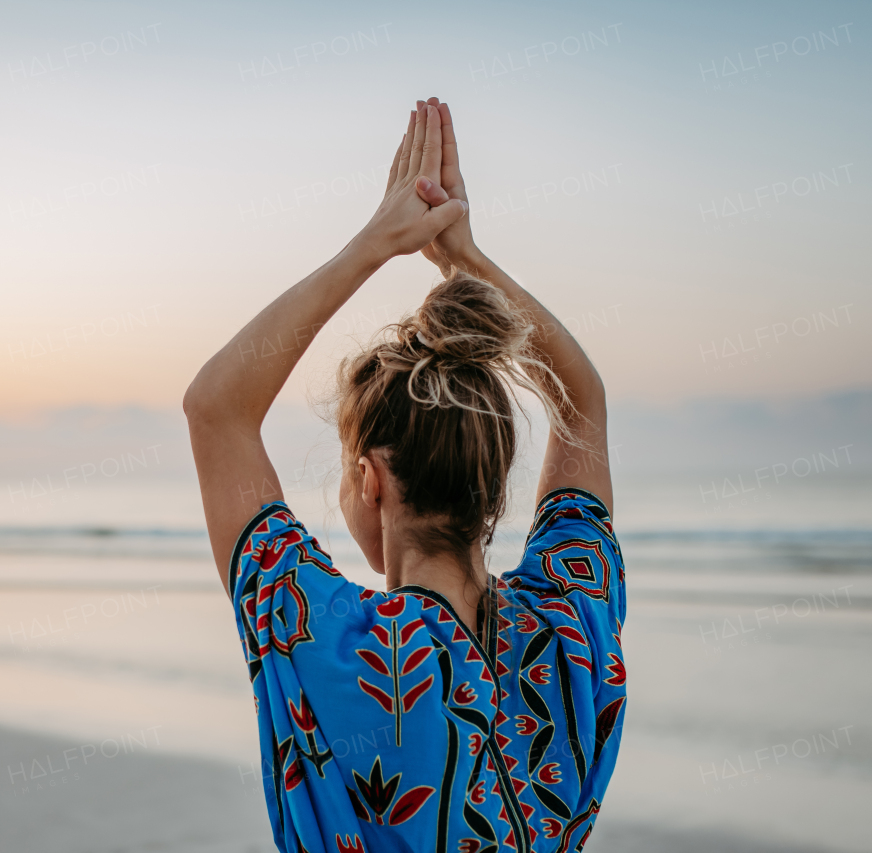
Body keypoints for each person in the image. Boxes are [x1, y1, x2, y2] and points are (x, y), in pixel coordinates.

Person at [183, 98, 625, 853]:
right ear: (488, 480)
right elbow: (580, 400)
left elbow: (216, 410)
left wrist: (375, 244)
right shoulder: (568, 623)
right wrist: (465, 258)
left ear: (372, 479)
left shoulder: (329, 643)